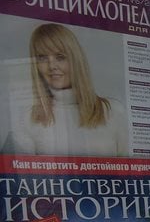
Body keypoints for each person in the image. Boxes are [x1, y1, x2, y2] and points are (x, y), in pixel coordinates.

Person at [9, 23, 128, 157]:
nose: (52, 66)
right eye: (42, 58)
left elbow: (131, 172)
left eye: (60, 57)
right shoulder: (27, 120)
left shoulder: (113, 111)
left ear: (75, 60)